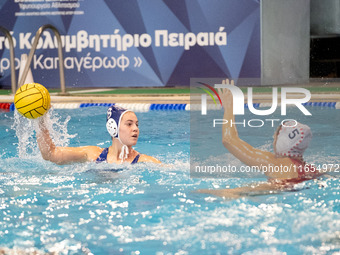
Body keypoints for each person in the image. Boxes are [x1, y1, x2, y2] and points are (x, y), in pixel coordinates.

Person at [197, 79, 323, 199]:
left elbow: (229, 140)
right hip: (300, 190)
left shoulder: (273, 163)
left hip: (277, 189)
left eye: (275, 138)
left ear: (280, 142)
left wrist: (229, 107)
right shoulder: (312, 170)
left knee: (209, 193)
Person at [37, 105, 161, 165]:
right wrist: (40, 120)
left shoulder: (145, 161)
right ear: (113, 127)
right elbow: (50, 154)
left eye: (137, 125)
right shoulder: (92, 154)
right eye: (129, 124)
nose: (135, 129)